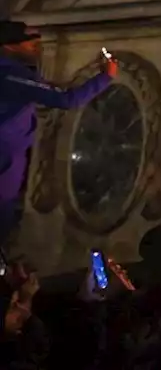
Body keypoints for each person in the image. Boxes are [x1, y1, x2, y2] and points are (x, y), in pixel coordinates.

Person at [0, 20, 116, 243]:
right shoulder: (12, 74)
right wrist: (105, 76)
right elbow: (66, 99)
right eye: (31, 45)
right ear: (9, 46)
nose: (37, 50)